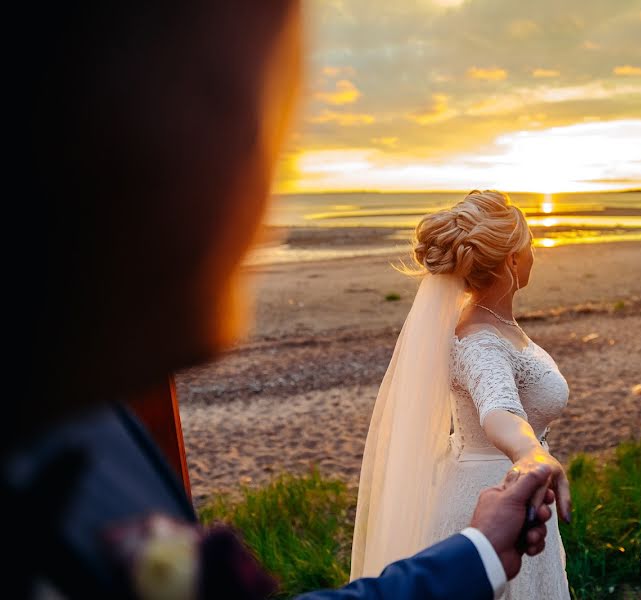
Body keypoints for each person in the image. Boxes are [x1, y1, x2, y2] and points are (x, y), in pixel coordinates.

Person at [8, 2, 556, 598]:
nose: (265, 182)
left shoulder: (99, 430)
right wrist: (527, 456)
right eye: (248, 111)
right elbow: (500, 410)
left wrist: (475, 553)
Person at [352, 190, 573, 598]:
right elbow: (498, 411)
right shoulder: (479, 341)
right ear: (512, 260)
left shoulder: (494, 324)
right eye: (530, 247)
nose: (534, 255)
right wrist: (530, 452)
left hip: (512, 493)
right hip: (492, 499)